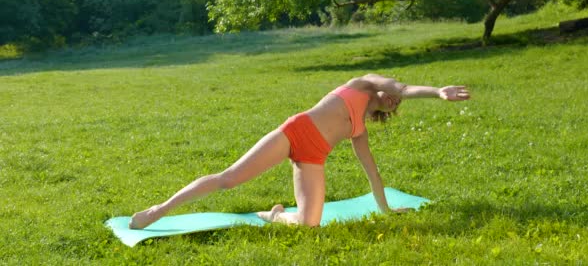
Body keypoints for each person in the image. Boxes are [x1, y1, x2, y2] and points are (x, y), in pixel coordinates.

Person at [129, 74, 470, 229]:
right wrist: (437, 91)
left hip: (313, 158)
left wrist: (386, 210)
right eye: (394, 94)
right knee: (230, 179)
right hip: (295, 132)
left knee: (309, 225)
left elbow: (372, 173)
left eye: (397, 103)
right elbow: (404, 86)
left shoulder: (360, 131)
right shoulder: (362, 84)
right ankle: (160, 210)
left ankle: (275, 214)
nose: (395, 99)